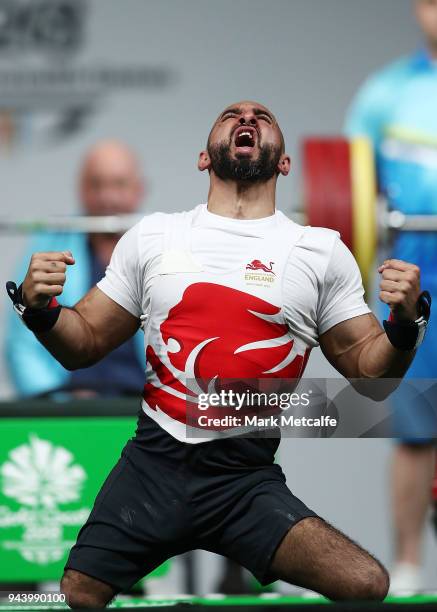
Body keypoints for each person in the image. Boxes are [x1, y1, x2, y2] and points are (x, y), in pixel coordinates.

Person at [7, 100, 430, 607]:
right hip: (152, 467)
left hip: (243, 482)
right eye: (232, 114)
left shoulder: (319, 251)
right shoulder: (155, 237)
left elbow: (368, 372)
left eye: (263, 116)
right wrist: (41, 309)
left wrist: (405, 325)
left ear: (284, 162)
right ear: (204, 158)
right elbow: (84, 344)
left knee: (365, 585)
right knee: (76, 596)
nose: (247, 118)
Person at [344, 0, 437, 593]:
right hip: (416, 265)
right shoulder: (385, 93)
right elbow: (349, 192)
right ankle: (407, 567)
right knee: (415, 427)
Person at [5, 140, 145, 398]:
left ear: (139, 189)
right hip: (68, 411)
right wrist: (58, 401)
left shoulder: (162, 248)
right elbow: (21, 344)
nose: (107, 197)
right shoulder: (49, 244)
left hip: (147, 410)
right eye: (96, 184)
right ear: (81, 189)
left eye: (119, 184)